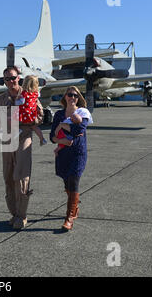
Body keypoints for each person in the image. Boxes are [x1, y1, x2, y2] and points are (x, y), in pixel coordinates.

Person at [0, 66, 36, 230]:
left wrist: (27, 118)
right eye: (7, 79)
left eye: (13, 78)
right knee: (8, 177)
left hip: (23, 138)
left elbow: (40, 115)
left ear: (19, 77)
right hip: (7, 140)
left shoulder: (28, 94)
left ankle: (22, 216)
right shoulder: (1, 99)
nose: (10, 81)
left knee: (21, 176)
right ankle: (14, 213)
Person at [50, 86, 93, 231]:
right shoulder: (58, 114)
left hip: (78, 152)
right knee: (67, 183)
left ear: (78, 98)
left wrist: (62, 125)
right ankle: (75, 207)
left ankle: (69, 218)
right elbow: (52, 136)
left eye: (75, 95)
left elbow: (79, 130)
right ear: (65, 97)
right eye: (69, 95)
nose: (72, 97)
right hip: (63, 153)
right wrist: (62, 142)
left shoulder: (83, 112)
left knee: (74, 181)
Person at [14, 75, 47, 146]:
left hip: (24, 115)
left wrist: (16, 100)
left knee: (17, 125)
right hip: (32, 115)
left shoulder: (24, 94)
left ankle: (17, 133)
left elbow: (20, 102)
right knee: (35, 127)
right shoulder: (36, 94)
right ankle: (42, 139)